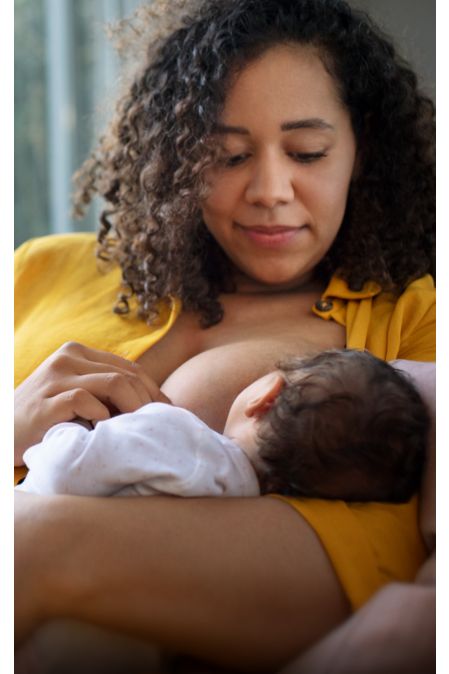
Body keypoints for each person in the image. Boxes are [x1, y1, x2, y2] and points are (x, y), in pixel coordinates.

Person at [14, 0, 435, 671]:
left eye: (307, 151)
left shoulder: (411, 316)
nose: (269, 189)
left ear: (362, 152)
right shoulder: (37, 271)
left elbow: (395, 548)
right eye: (228, 154)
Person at [17, 350, 429, 505]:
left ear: (266, 395)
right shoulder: (239, 500)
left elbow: (66, 469)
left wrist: (65, 432)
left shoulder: (182, 437)